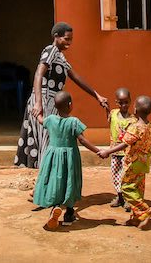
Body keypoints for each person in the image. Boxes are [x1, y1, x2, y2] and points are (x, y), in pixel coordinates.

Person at [14, 21, 109, 169]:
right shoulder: (51, 50)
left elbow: (76, 77)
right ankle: (42, 185)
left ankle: (43, 184)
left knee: (48, 141)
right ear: (56, 37)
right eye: (67, 39)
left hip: (51, 102)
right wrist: (39, 103)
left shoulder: (60, 56)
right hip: (44, 100)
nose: (69, 43)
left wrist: (96, 95)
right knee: (48, 141)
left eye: (71, 39)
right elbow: (39, 74)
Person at [33, 91, 102, 230]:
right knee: (70, 181)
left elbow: (41, 120)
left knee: (55, 180)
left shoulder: (51, 119)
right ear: (70, 105)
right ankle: (69, 212)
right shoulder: (73, 122)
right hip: (70, 158)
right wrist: (98, 151)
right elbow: (82, 140)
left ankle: (55, 207)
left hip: (52, 156)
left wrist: (37, 112)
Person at [99, 95, 151, 229]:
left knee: (126, 187)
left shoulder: (135, 127)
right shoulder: (150, 126)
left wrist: (108, 151)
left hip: (133, 163)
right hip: (143, 164)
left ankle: (144, 211)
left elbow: (125, 144)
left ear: (135, 109)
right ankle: (136, 218)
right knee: (138, 189)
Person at [107, 87, 134, 210]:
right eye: (120, 102)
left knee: (126, 176)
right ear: (116, 102)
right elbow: (109, 119)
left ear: (130, 101)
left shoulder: (133, 119)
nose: (124, 105)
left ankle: (128, 199)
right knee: (115, 175)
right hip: (115, 152)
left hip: (127, 153)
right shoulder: (113, 114)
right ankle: (120, 197)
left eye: (126, 102)